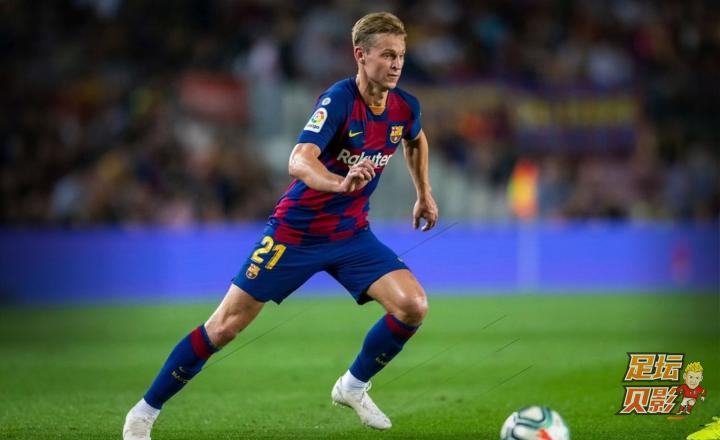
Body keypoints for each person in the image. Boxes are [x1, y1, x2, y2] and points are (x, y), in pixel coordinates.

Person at [123, 11, 438, 439]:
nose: (397, 64)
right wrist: (339, 182)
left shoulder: (405, 106)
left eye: (400, 55)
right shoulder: (339, 101)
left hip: (351, 234)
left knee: (412, 306)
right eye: (387, 55)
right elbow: (298, 160)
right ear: (360, 55)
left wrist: (424, 193)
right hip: (296, 233)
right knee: (225, 326)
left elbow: (415, 139)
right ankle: (143, 412)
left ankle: (352, 386)